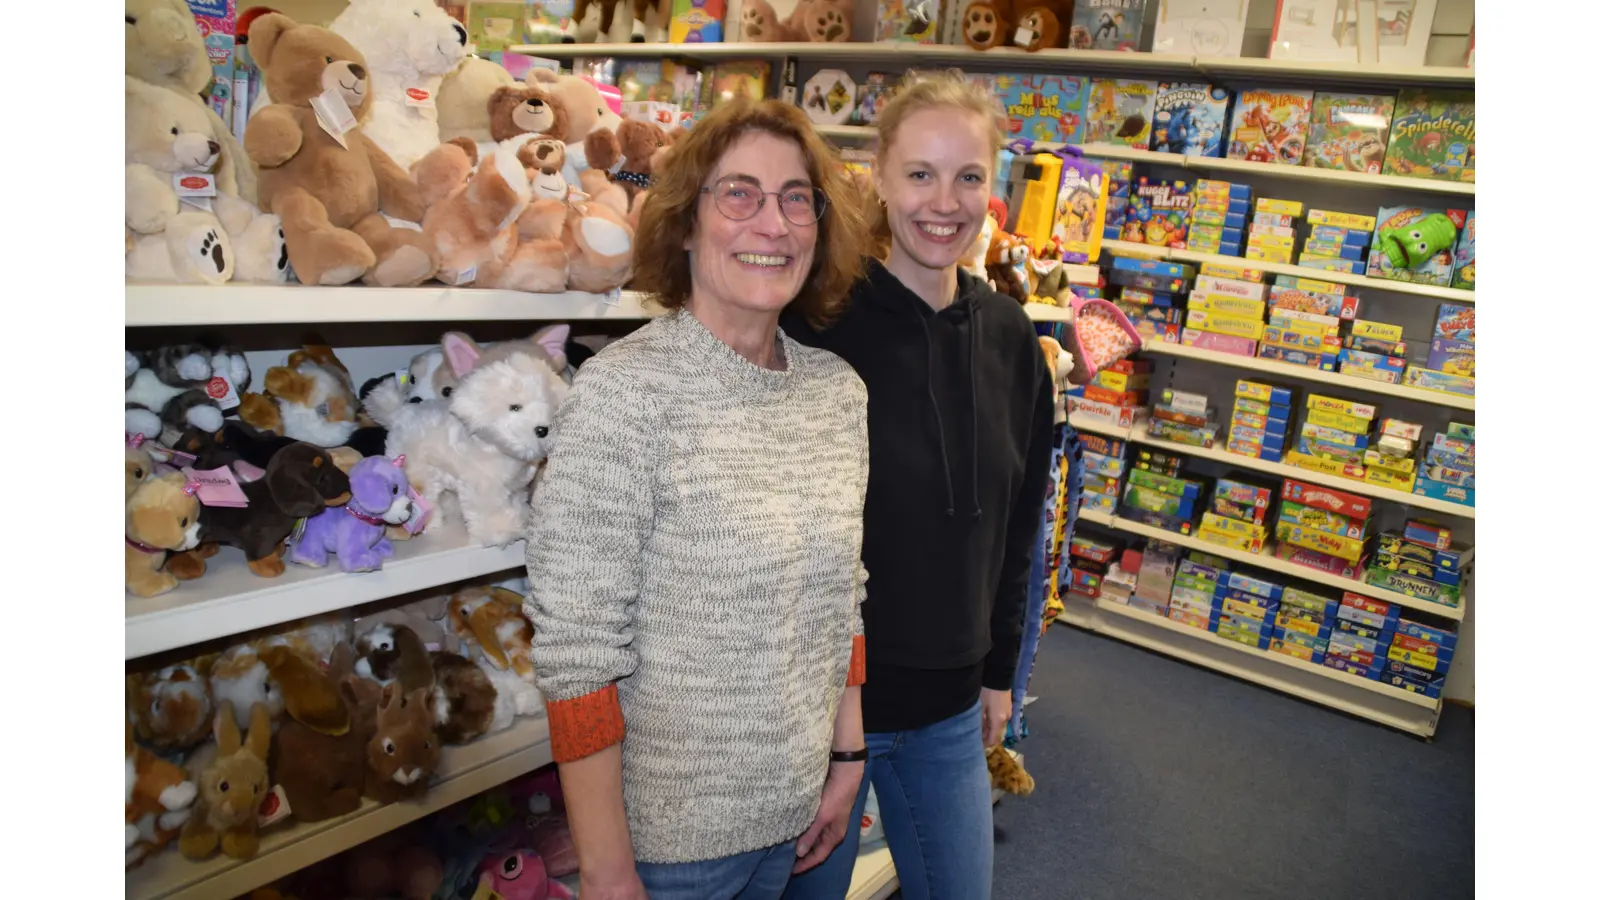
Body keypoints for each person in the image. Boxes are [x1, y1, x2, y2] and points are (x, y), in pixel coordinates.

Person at [522, 97, 874, 900]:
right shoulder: (625, 394)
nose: (774, 224)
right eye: (739, 193)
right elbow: (576, 657)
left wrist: (849, 757)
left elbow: (840, 597)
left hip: (805, 813)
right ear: (684, 223)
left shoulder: (837, 393)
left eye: (796, 199)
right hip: (673, 852)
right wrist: (610, 873)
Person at [781, 73, 1056, 900]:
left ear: (995, 188)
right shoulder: (819, 322)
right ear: (879, 175)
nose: (946, 202)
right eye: (921, 174)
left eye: (969, 176)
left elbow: (1018, 529)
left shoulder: (1011, 337)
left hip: (948, 709)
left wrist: (1000, 672)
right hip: (825, 708)